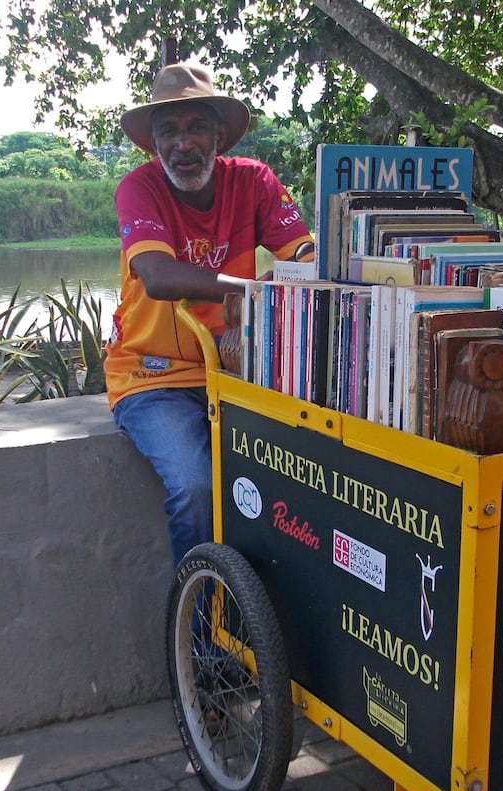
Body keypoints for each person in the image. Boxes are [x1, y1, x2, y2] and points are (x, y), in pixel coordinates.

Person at [107, 62, 315, 568]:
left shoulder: (254, 181)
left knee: (307, 468)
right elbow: (158, 276)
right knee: (196, 487)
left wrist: (294, 275)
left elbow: (307, 258)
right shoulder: (139, 188)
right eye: (169, 131)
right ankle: (201, 636)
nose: (184, 144)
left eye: (196, 127)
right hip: (152, 376)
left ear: (219, 135)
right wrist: (253, 289)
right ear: (153, 142)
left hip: (238, 369)